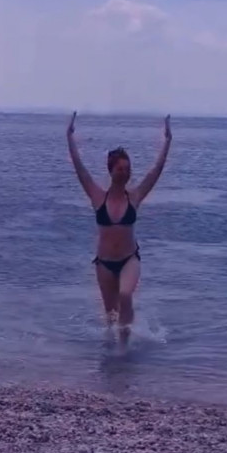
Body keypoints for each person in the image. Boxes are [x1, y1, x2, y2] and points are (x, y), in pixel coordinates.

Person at [67, 111, 172, 340]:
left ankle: (125, 347)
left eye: (127, 169)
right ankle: (111, 356)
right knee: (110, 317)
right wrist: (70, 137)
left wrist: (167, 141)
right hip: (104, 264)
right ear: (111, 170)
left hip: (129, 259)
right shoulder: (97, 197)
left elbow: (155, 171)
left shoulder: (134, 196)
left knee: (125, 295)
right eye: (120, 169)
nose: (125, 173)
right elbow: (79, 168)